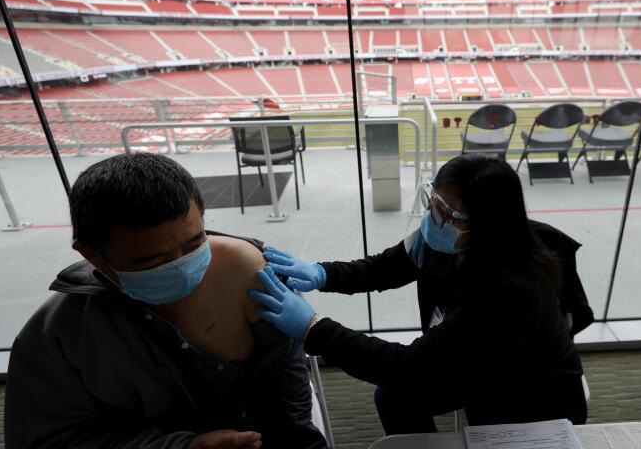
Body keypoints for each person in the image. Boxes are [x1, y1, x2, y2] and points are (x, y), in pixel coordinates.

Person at [5, 153, 326, 449]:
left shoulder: (250, 271)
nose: (180, 269)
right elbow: (50, 440)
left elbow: (289, 380)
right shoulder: (59, 340)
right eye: (149, 260)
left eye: (194, 244)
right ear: (92, 255)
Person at [250, 154, 589, 434]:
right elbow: (383, 268)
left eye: (444, 210)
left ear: (486, 224)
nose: (431, 216)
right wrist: (321, 273)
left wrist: (313, 328)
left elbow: (409, 367)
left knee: (476, 423)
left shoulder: (511, 291)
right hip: (476, 363)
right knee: (394, 398)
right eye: (432, 200)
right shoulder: (446, 239)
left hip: (529, 391)